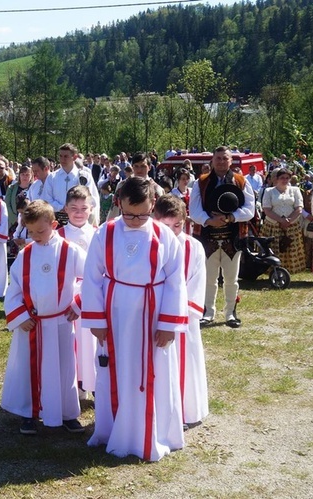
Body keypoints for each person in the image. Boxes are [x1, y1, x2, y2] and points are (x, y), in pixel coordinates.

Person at [82, 176, 187, 462]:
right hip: (115, 312)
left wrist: (168, 324)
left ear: (154, 204)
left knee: (153, 371)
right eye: (129, 213)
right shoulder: (105, 233)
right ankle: (113, 429)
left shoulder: (164, 236)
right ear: (119, 204)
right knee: (114, 370)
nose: (136, 219)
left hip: (153, 315)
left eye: (142, 214)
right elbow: (92, 278)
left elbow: (177, 281)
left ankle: (154, 432)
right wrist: (97, 320)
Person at [1, 200, 87, 435]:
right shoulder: (25, 254)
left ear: (53, 224)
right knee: (29, 370)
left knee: (65, 368)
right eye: (30, 231)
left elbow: (90, 278)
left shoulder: (71, 251)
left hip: (61, 322)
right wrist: (19, 316)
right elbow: (14, 287)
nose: (35, 236)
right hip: (33, 323)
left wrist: (77, 304)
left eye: (40, 231)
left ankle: (68, 413)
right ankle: (30, 413)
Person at [153, 194, 209, 427]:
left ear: (186, 222)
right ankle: (157, 410)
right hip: (154, 315)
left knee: (184, 363)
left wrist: (178, 313)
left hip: (183, 318)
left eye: (177, 225)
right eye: (166, 225)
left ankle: (184, 411)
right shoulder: (150, 243)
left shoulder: (193, 247)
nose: (172, 230)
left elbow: (197, 283)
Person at [189, 146, 255, 328]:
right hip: (208, 237)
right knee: (208, 278)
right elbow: (194, 211)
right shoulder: (200, 182)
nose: (221, 161)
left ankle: (230, 313)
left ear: (231, 160)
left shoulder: (242, 182)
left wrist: (231, 217)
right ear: (212, 160)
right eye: (218, 158)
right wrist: (210, 221)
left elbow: (250, 209)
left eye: (224, 158)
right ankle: (207, 312)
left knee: (231, 279)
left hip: (232, 238)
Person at [58, 186, 97, 395]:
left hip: (91, 296)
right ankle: (73, 385)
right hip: (66, 297)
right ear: (65, 209)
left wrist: (83, 297)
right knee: (72, 341)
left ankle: (91, 382)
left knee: (90, 341)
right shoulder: (59, 235)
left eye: (84, 207)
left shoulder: (99, 234)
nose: (79, 212)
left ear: (91, 208)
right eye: (74, 208)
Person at [260, 168, 305, 273]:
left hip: (291, 225)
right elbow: (267, 209)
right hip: (273, 224)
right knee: (275, 249)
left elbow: (299, 208)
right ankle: (274, 270)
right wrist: (281, 220)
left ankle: (289, 270)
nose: (284, 180)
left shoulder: (295, 190)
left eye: (287, 178)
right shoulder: (269, 191)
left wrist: (288, 221)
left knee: (290, 248)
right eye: (282, 178)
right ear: (277, 178)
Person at [43, 144, 99, 225]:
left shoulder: (84, 176)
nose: (62, 159)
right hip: (57, 221)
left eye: (66, 156)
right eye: (60, 156)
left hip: (79, 220)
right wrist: (61, 207)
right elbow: (46, 199)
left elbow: (93, 199)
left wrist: (76, 209)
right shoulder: (52, 177)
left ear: (75, 157)